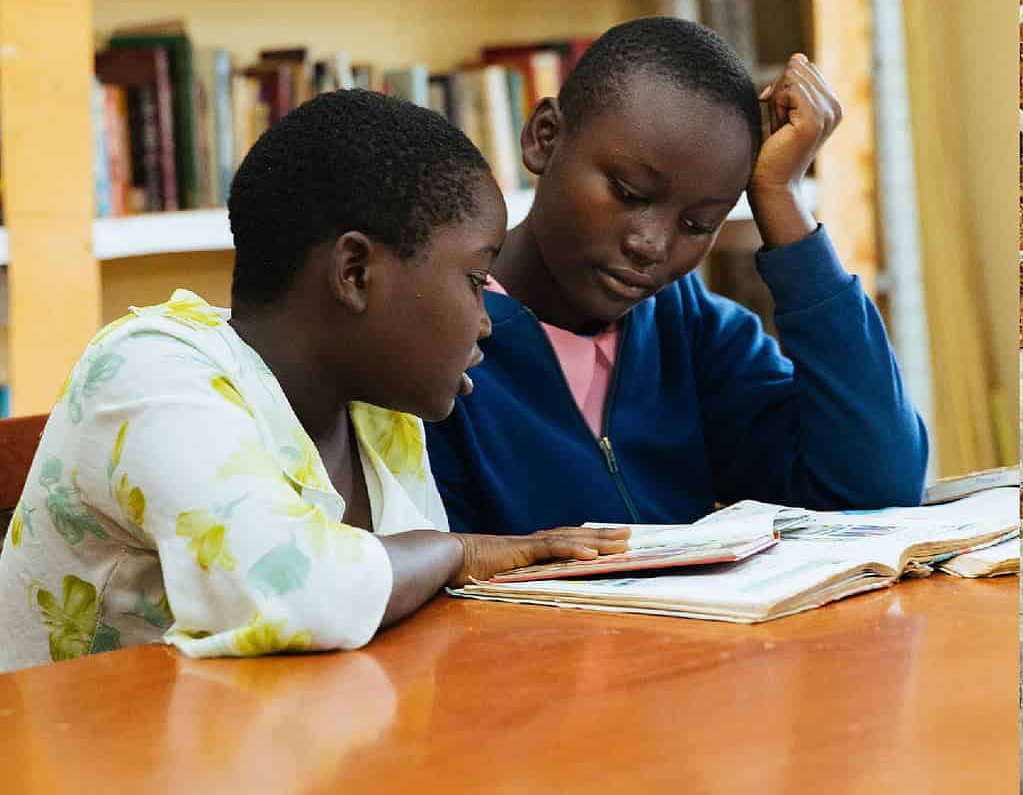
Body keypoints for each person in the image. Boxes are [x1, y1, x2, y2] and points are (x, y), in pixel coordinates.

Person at [0, 90, 627, 672]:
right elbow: (291, 594)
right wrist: (458, 552)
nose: (487, 322)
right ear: (355, 272)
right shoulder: (149, 369)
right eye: (474, 278)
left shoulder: (380, 415)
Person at [425, 17, 928, 534]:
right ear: (544, 137)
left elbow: (877, 486)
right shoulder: (431, 352)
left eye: (697, 224)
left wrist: (782, 200)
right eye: (629, 193)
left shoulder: (690, 329)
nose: (651, 245)